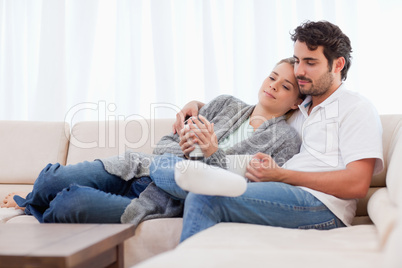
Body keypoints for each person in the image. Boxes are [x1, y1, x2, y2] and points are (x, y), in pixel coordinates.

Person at [1, 58, 304, 226]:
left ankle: (31, 205)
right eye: (272, 77)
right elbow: (164, 147)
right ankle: (30, 201)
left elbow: (240, 189)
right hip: (137, 168)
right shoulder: (225, 104)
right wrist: (186, 148)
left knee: (70, 202)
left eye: (285, 86)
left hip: (166, 198)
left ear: (295, 102)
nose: (273, 86)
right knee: (53, 178)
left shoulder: (284, 140)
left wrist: (210, 153)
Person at [161, 20, 384, 242]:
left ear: (337, 65)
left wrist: (283, 175)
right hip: (282, 191)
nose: (300, 71)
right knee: (196, 187)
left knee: (205, 196)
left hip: (322, 206)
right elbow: (259, 108)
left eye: (311, 62)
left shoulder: (356, 108)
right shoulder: (303, 107)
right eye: (297, 61)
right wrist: (199, 106)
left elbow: (358, 184)